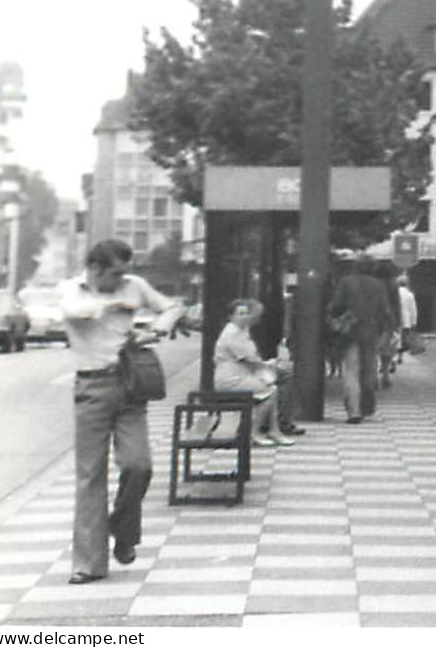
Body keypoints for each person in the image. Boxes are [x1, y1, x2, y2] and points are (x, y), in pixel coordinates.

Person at [57, 239, 185, 585]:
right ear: (95, 268)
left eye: (126, 272)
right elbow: (76, 313)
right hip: (91, 388)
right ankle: (88, 563)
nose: (122, 278)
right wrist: (117, 305)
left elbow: (172, 306)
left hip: (129, 385)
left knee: (138, 465)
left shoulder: (136, 286)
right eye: (115, 272)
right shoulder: (71, 289)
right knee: (90, 475)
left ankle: (122, 528)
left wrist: (157, 328)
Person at [213, 299, 294, 447]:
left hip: (239, 376)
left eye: (246, 313)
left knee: (271, 384)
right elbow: (249, 360)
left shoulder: (240, 331)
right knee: (270, 391)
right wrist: (269, 364)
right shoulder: (232, 333)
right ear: (231, 316)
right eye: (240, 313)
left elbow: (251, 358)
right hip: (231, 380)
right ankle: (254, 432)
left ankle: (274, 430)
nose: (244, 316)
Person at [328, 251, 389, 422]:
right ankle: (366, 405)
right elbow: (385, 310)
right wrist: (386, 331)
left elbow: (337, 305)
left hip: (350, 332)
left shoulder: (346, 282)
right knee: (369, 370)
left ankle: (354, 411)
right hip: (371, 333)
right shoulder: (379, 285)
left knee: (352, 372)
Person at [395, 274, 419, 361]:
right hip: (406, 320)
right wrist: (414, 322)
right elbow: (413, 309)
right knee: (403, 339)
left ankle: (393, 358)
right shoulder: (410, 295)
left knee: (395, 338)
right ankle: (400, 357)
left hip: (395, 319)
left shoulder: (394, 293)